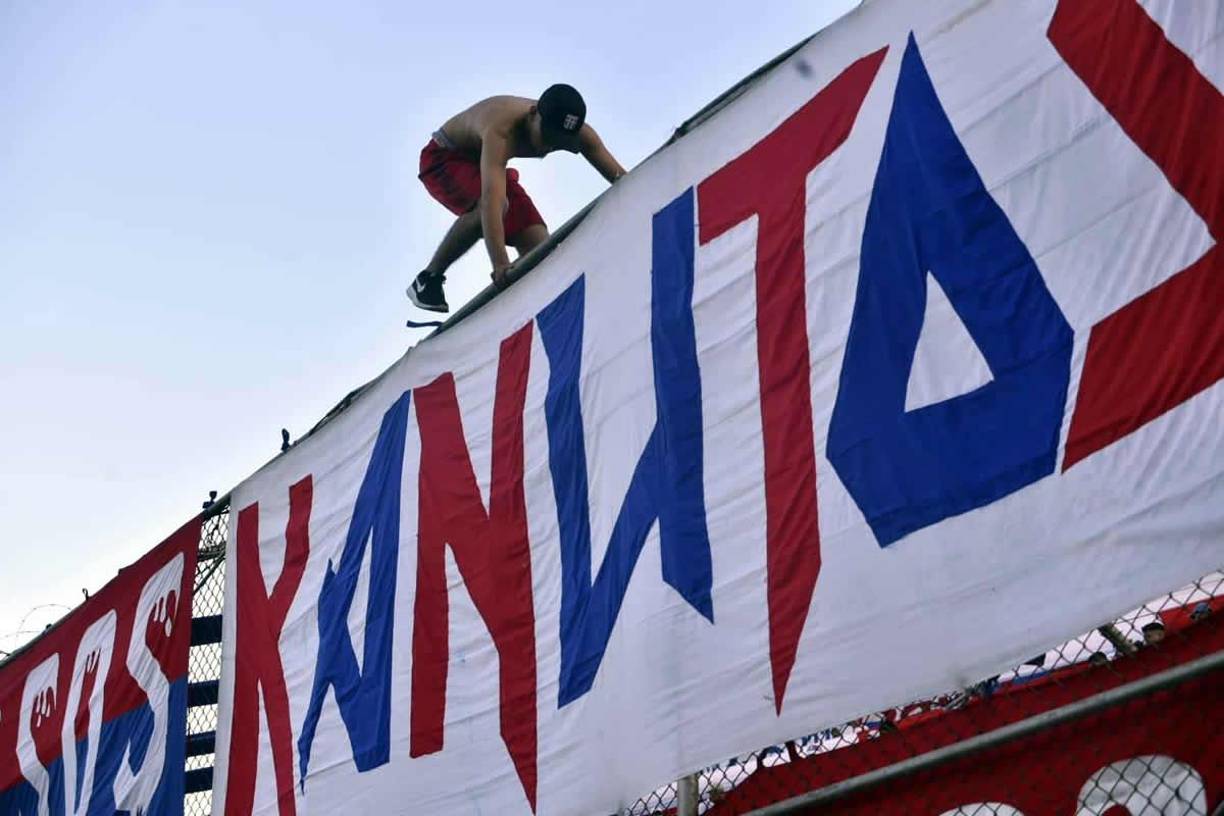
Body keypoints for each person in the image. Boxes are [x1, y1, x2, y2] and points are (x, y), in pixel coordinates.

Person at [408, 84, 627, 313]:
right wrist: (500, 263)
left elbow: (623, 179)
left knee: (540, 247)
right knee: (494, 206)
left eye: (558, 141)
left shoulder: (582, 136)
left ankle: (543, 307)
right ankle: (428, 279)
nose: (549, 145)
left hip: (490, 167)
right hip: (445, 158)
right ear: (533, 114)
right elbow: (492, 201)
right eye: (547, 135)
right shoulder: (502, 129)